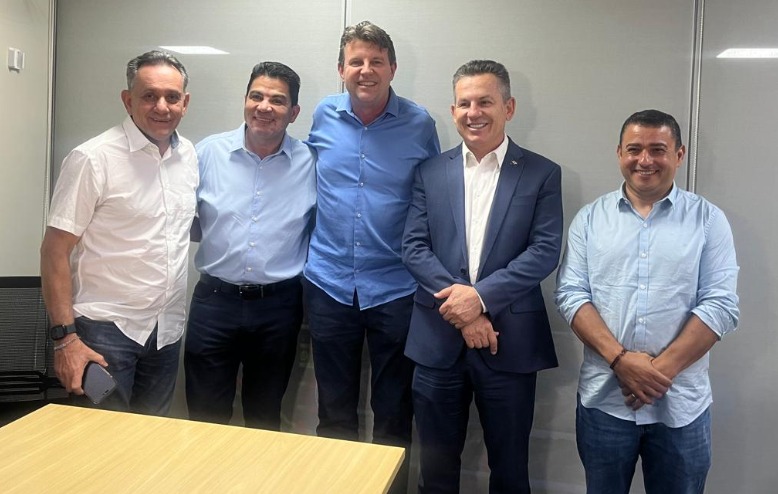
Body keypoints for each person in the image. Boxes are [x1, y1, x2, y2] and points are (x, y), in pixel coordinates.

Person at [555, 109, 740, 494]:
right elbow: (571, 294)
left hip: (681, 406)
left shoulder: (708, 220)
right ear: (619, 152)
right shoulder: (590, 220)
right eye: (634, 149)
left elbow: (720, 304)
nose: (645, 160)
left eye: (658, 149)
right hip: (605, 402)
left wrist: (656, 374)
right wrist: (622, 362)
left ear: (679, 155)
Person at [403, 59, 563, 494]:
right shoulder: (429, 171)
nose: (474, 112)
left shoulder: (542, 173)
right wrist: (464, 309)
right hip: (437, 341)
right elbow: (413, 247)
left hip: (510, 343)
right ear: (453, 111)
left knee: (510, 472)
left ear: (508, 108)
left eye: (485, 102)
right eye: (465, 103)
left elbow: (544, 251)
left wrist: (480, 299)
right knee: (435, 472)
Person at [304, 19, 440, 491]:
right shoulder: (322, 115)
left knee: (394, 411)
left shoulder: (420, 123)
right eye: (356, 61)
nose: (366, 70)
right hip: (328, 284)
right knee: (333, 409)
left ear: (392, 68)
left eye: (376, 61)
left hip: (397, 288)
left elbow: (433, 199)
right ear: (341, 68)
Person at [40, 50, 197, 415]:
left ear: (185, 103)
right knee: (101, 438)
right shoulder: (93, 158)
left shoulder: (188, 156)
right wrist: (65, 340)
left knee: (153, 436)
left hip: (166, 331)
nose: (162, 106)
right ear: (128, 100)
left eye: (172, 97)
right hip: (104, 335)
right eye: (149, 95)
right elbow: (54, 251)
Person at [184, 62, 315, 430]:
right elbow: (181, 220)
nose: (264, 107)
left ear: (294, 112)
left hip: (279, 307)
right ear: (245, 101)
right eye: (256, 96)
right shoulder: (207, 154)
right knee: (205, 418)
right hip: (214, 302)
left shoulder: (310, 163)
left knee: (265, 417)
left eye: (277, 100)